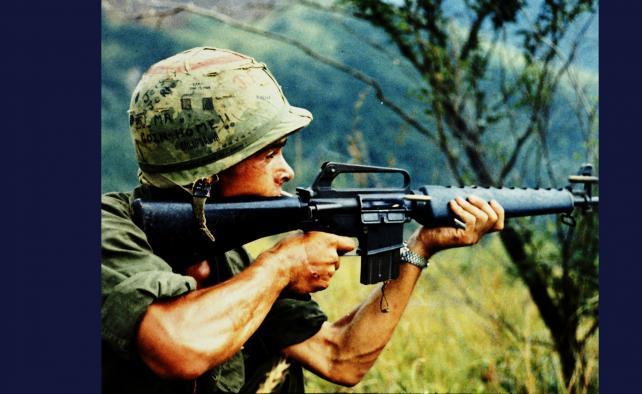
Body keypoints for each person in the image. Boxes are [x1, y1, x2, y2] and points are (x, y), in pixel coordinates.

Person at [101, 47, 505, 393]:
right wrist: (283, 263)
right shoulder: (106, 231)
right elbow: (176, 347)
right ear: (210, 172)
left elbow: (340, 356)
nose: (287, 170)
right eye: (269, 153)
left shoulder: (229, 261)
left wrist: (421, 246)